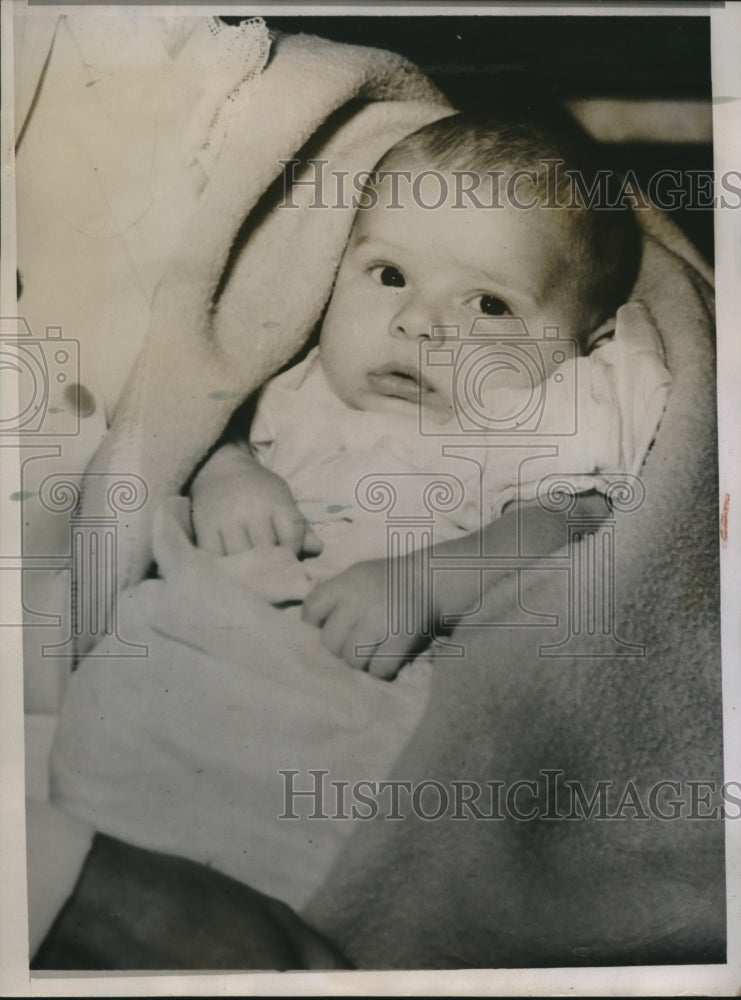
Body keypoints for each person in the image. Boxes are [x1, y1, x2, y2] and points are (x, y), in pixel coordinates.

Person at [189, 111, 662, 681]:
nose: (416, 323)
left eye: (489, 305)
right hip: (222, 653)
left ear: (585, 346)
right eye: (389, 275)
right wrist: (227, 470)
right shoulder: (296, 378)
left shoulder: (535, 415)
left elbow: (572, 520)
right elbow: (191, 427)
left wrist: (424, 585)